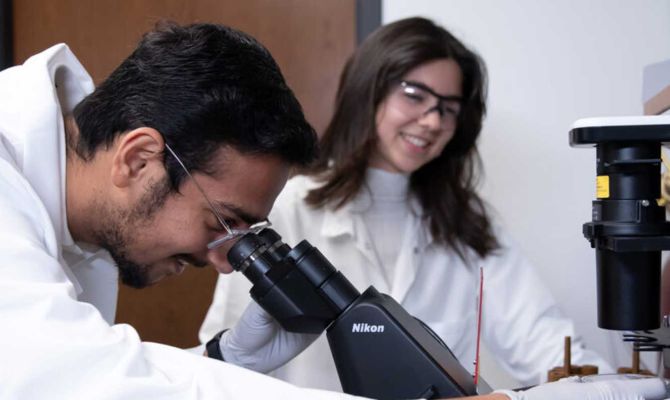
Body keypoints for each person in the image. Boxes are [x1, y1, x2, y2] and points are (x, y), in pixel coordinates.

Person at [0, 19, 663, 400]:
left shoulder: (60, 201)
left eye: (449, 108)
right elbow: (84, 381)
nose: (224, 260)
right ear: (140, 159)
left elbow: (131, 376)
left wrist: (232, 360)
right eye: (221, 222)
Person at [200, 16, 617, 391]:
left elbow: (542, 341)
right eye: (415, 95)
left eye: (448, 109)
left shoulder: (468, 225)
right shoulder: (288, 209)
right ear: (370, 90)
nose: (433, 121)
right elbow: (221, 374)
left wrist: (617, 388)